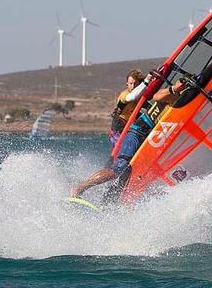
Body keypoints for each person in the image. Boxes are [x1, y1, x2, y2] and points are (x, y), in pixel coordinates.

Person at [70, 73, 187, 201]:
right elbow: (156, 96)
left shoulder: (185, 104)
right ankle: (80, 188)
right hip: (137, 133)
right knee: (118, 169)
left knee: (130, 172)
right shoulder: (172, 94)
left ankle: (109, 200)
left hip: (148, 139)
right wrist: (175, 88)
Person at [109, 69, 145, 148]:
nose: (132, 86)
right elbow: (132, 97)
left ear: (139, 85)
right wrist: (146, 82)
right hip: (118, 127)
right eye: (130, 83)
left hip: (129, 126)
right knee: (121, 150)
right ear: (127, 84)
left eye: (135, 84)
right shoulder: (125, 94)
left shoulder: (141, 96)